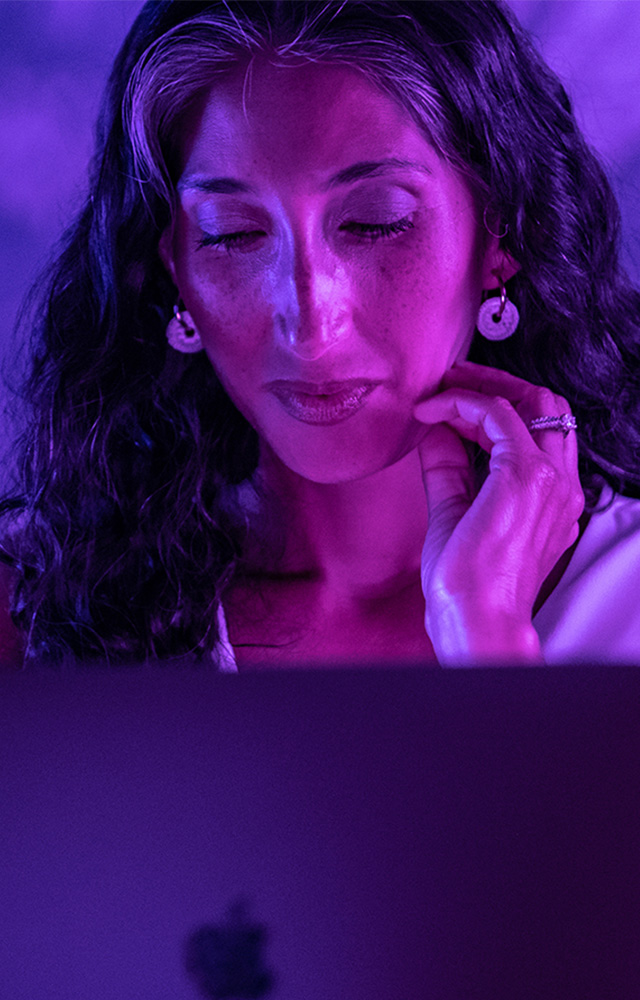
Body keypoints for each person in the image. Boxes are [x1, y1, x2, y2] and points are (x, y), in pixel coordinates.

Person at [1, 0, 639, 670]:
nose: (309, 326)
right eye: (233, 234)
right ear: (174, 270)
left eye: (375, 221)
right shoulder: (36, 606)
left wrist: (490, 635)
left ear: (499, 238)